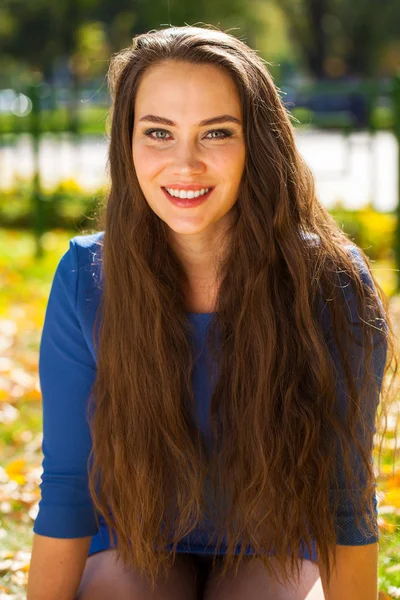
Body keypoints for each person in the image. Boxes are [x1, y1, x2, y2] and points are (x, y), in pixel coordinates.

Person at [27, 25, 396, 600]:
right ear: (126, 142)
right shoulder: (86, 275)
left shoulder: (330, 281)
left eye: (217, 133)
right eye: (158, 133)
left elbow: (344, 495)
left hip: (278, 543)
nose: (186, 163)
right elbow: (69, 486)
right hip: (134, 539)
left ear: (260, 143)